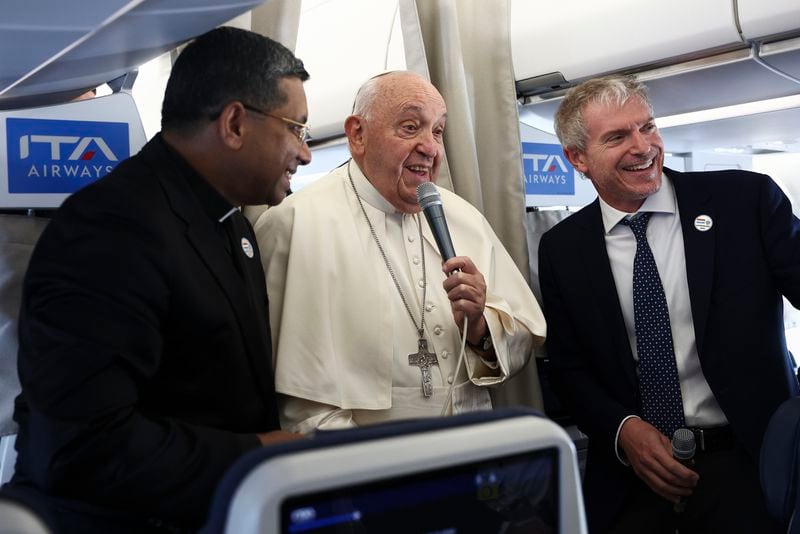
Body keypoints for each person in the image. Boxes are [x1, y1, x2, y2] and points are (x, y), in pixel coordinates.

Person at [5, 27, 312, 532]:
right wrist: (253, 454)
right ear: (234, 123)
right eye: (295, 128)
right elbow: (79, 446)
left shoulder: (233, 225)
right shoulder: (111, 226)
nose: (303, 153)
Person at [538, 74, 800, 533]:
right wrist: (623, 429)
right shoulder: (563, 247)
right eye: (618, 136)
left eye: (648, 126)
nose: (643, 146)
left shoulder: (745, 202)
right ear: (577, 158)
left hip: (750, 464)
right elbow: (569, 368)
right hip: (632, 477)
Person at [255, 71, 546, 434]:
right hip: (368, 465)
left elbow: (522, 341)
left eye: (438, 131)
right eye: (410, 127)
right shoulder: (296, 223)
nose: (431, 147)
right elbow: (301, 404)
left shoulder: (462, 217)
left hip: (474, 449)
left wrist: (481, 329)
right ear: (357, 134)